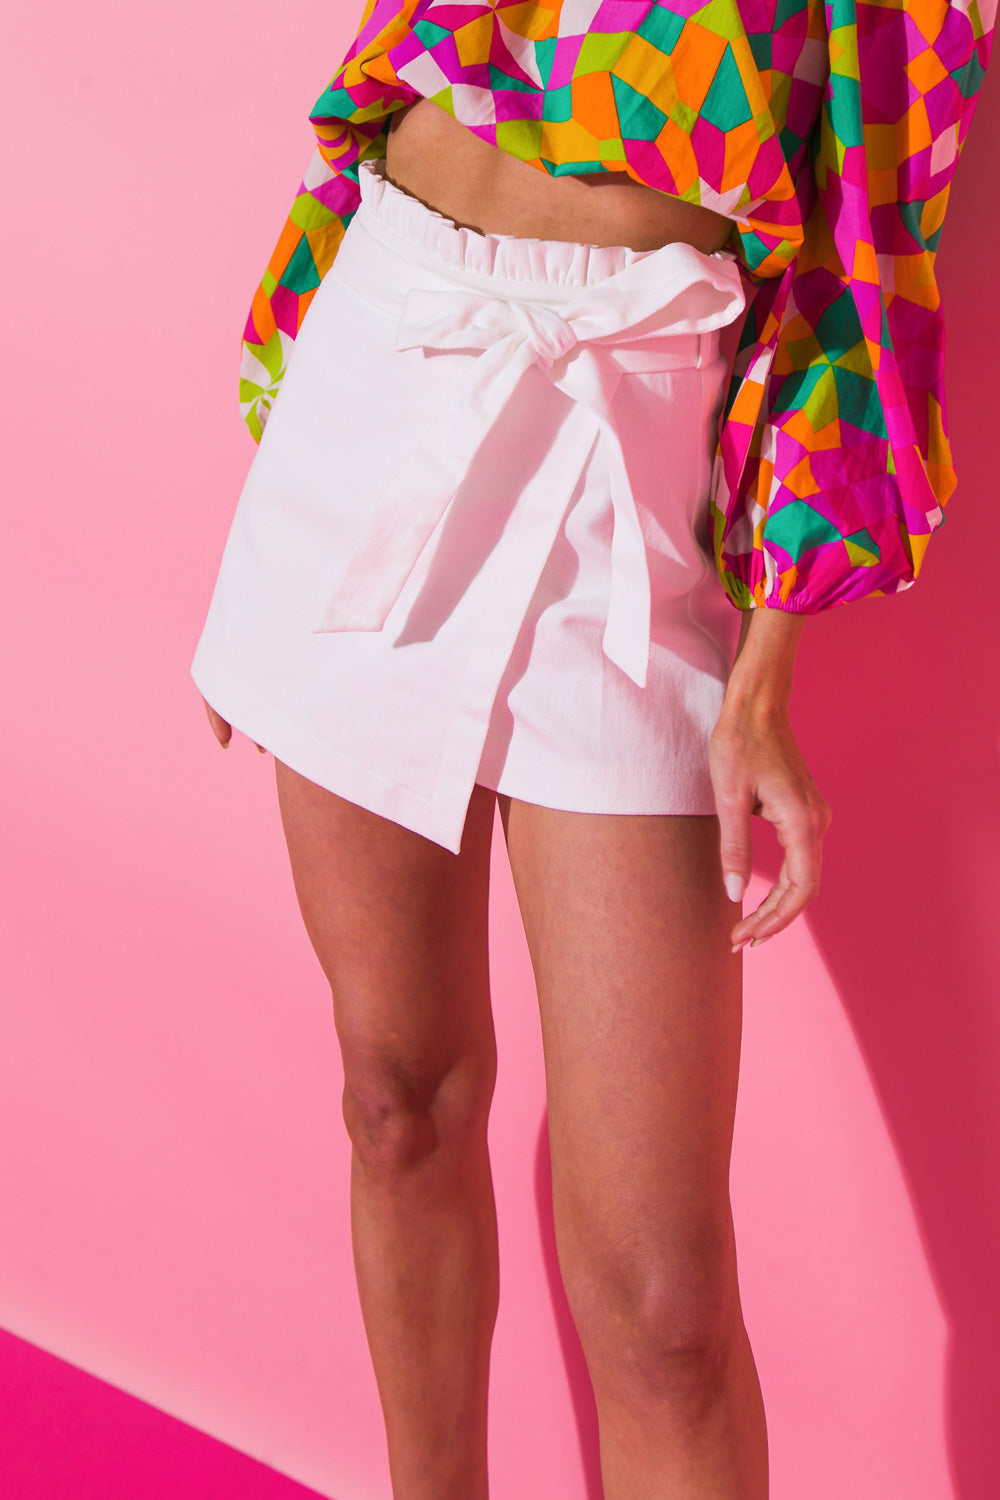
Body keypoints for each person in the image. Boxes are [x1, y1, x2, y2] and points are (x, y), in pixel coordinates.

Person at [190, 2, 995, 1495]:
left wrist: (767, 665)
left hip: (641, 424)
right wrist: (289, 421)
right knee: (398, 1100)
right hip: (390, 364)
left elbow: (867, 251)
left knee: (667, 1308)